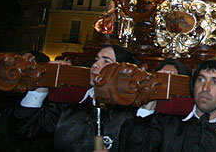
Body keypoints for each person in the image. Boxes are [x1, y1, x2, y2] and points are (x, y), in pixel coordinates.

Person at [122, 57, 216, 152]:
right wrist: (148, 105)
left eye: (215, 82)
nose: (205, 88)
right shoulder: (168, 123)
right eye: (201, 80)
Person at [12, 44, 140, 152]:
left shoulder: (131, 116)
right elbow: (27, 129)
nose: (95, 65)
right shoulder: (68, 106)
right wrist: (43, 83)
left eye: (106, 61)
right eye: (97, 59)